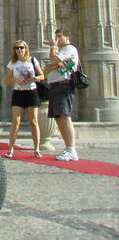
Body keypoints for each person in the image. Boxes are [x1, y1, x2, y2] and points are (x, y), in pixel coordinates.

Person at [4, 39, 45, 158]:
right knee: (16, 122)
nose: (19, 50)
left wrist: (35, 78)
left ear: (25, 48)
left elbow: (42, 75)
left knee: (33, 121)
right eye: (16, 48)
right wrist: (15, 79)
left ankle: (36, 149)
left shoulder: (32, 60)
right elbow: (7, 81)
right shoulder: (12, 63)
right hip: (18, 93)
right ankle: (10, 149)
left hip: (31, 92)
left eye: (21, 47)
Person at [43, 28, 80, 161]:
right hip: (55, 86)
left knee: (64, 116)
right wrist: (56, 64)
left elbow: (53, 60)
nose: (57, 39)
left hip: (64, 86)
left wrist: (53, 48)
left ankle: (71, 149)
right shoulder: (61, 52)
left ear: (67, 38)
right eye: (56, 37)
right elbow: (46, 68)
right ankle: (67, 148)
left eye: (59, 36)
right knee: (58, 117)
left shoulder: (69, 49)